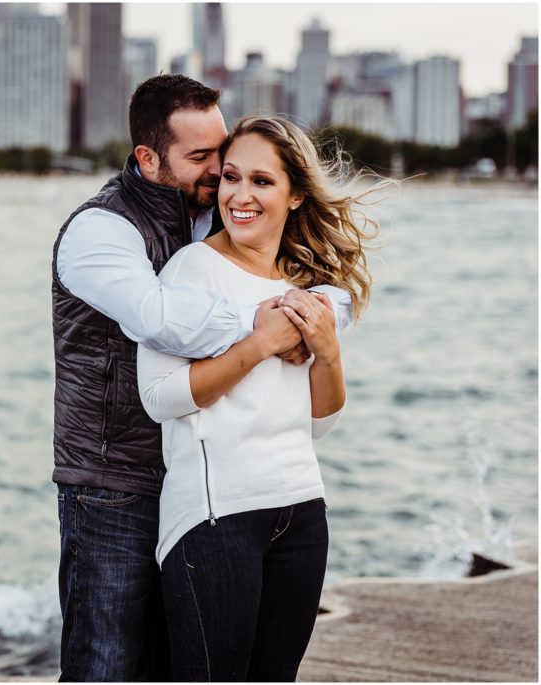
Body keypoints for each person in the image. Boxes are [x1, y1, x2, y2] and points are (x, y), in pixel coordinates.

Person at [51, 76, 352, 681]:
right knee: (105, 664)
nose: (220, 173)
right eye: (202, 158)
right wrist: (276, 327)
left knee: (169, 666)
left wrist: (318, 320)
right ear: (147, 157)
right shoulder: (100, 232)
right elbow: (161, 320)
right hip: (111, 480)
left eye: (225, 154)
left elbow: (302, 285)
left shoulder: (202, 218)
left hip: (186, 475)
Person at [137, 114, 389, 681]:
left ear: (296, 194)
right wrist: (257, 345)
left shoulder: (306, 286)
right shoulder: (192, 269)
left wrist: (328, 352)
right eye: (230, 177)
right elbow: (159, 397)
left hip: (301, 513)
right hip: (214, 519)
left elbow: (320, 423)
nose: (240, 196)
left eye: (262, 181)